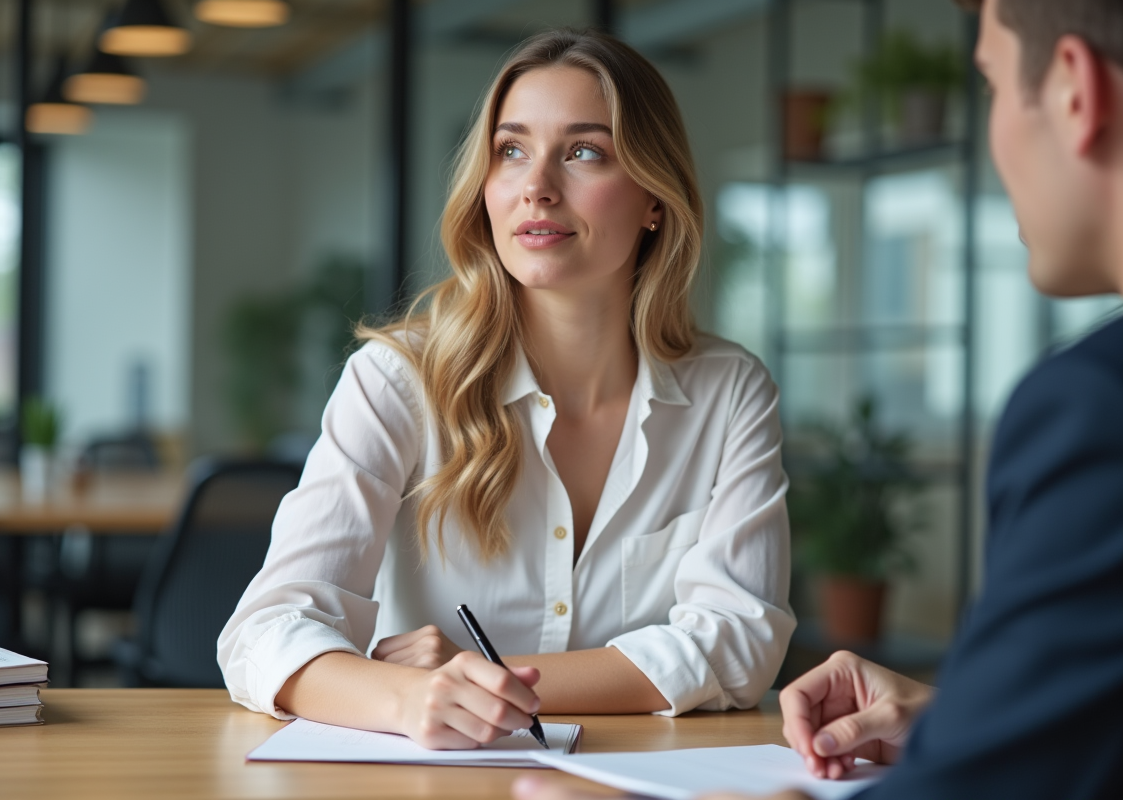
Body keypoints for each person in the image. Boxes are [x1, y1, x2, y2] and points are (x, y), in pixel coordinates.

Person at [512, 0, 1123, 798]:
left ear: (1075, 92)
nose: (536, 187)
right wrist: (953, 716)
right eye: (511, 150)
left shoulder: (1095, 405)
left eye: (991, 87)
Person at [217, 29, 796, 749]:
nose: (537, 187)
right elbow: (264, 632)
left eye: (584, 151)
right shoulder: (397, 381)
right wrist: (408, 700)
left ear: (655, 197)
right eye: (511, 150)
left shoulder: (730, 392)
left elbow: (740, 643)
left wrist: (473, 676)